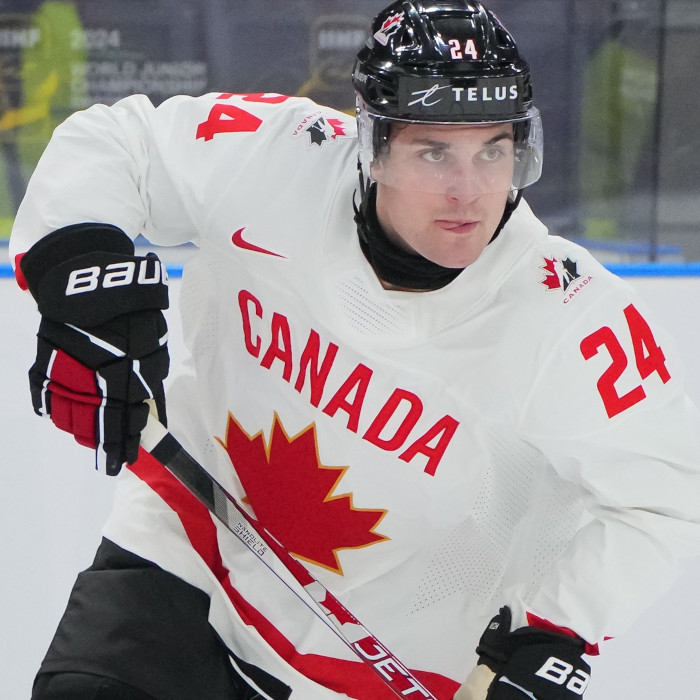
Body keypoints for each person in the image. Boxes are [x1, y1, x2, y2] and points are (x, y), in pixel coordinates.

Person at [10, 1, 700, 699]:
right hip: (188, 556)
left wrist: (553, 635)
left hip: (381, 669)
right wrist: (83, 284)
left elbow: (667, 496)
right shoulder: (284, 158)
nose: (469, 191)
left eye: (493, 151)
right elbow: (117, 143)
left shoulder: (570, 315)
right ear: (373, 145)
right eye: (434, 152)